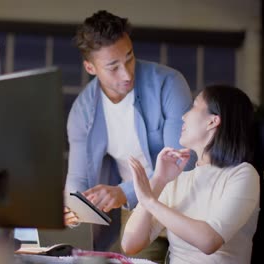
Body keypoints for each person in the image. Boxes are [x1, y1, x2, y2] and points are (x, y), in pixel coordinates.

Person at [64, 10, 194, 255]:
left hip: (184, 207)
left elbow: (183, 163)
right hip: (139, 216)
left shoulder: (169, 83)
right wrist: (70, 208)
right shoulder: (83, 112)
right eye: (113, 67)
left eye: (129, 58)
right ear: (90, 67)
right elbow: (77, 182)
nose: (126, 74)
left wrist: (124, 192)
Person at [122, 85, 260, 263]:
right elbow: (130, 244)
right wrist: (158, 180)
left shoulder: (243, 174)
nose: (183, 116)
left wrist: (149, 201)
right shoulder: (178, 180)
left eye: (194, 106)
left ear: (212, 121)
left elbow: (209, 241)